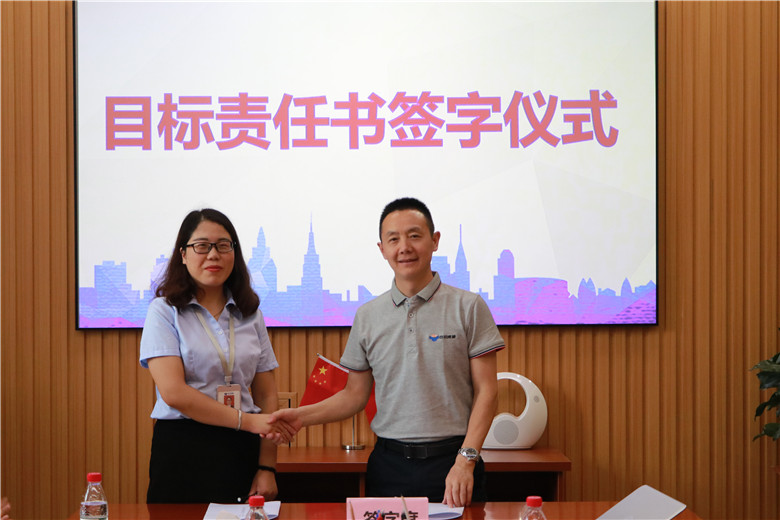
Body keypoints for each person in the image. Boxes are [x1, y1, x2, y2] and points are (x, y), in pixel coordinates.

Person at [269, 197, 505, 507]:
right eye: (393, 239)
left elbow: (487, 391)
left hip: (454, 463)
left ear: (435, 241)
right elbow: (354, 395)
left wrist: (465, 461)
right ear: (382, 249)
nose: (404, 247)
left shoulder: (469, 306)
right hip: (388, 465)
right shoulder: (368, 316)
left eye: (414, 235)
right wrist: (299, 416)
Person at [140, 208, 292, 504]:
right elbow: (173, 393)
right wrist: (248, 422)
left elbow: (266, 394)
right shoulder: (164, 311)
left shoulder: (251, 314)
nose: (213, 255)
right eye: (201, 246)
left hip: (242, 448)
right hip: (183, 447)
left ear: (234, 254)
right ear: (183, 254)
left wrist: (267, 467)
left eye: (223, 246)